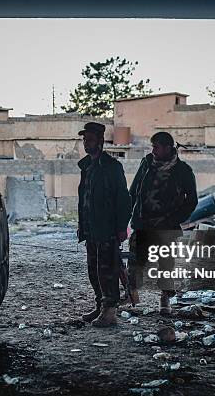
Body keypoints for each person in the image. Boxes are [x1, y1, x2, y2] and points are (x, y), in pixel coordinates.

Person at [128, 131, 198, 315]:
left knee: (166, 265)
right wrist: (127, 218)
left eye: (156, 147)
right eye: (152, 146)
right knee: (136, 261)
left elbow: (191, 201)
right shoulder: (146, 164)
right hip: (143, 223)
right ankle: (131, 296)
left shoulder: (183, 171)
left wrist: (174, 219)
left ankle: (164, 298)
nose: (153, 150)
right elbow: (134, 191)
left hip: (167, 226)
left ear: (168, 148)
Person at [77, 122, 131, 327]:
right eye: (84, 139)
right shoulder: (87, 166)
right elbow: (85, 199)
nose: (86, 143)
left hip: (107, 229)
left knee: (107, 270)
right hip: (91, 229)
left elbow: (123, 200)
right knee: (93, 270)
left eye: (89, 139)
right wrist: (82, 225)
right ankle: (101, 305)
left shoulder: (112, 167)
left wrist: (120, 228)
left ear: (100, 141)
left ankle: (110, 311)